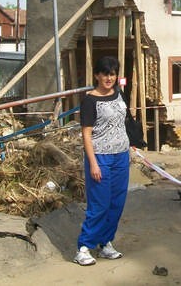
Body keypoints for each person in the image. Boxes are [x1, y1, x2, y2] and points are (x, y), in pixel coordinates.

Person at [74, 56, 130, 266]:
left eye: (113, 73)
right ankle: (84, 247)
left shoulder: (119, 94)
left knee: (117, 203)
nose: (109, 78)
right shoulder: (90, 100)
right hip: (100, 157)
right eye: (105, 73)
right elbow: (86, 134)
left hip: (121, 156)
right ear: (97, 75)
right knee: (99, 204)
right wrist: (94, 163)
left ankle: (106, 242)